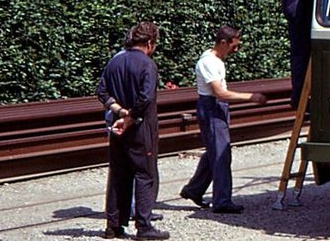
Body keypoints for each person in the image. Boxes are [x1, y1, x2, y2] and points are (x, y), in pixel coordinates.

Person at [179, 25, 268, 215]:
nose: (236, 50)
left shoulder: (216, 60)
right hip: (212, 107)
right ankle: (221, 200)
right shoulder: (209, 63)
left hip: (215, 107)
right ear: (223, 43)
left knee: (215, 152)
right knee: (221, 155)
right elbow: (220, 93)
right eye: (234, 46)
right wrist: (250, 97)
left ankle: (194, 189)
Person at [95, 21, 169, 240]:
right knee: (145, 174)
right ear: (149, 42)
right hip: (141, 128)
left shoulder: (114, 62)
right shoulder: (148, 65)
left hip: (118, 127)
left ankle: (113, 225)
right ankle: (144, 226)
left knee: (118, 174)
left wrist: (119, 112)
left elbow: (102, 91)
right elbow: (146, 98)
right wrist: (130, 118)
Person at [281, 0, 317, 108]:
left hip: (295, 4)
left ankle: (300, 96)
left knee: (300, 52)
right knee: (303, 52)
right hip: (299, 6)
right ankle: (301, 98)